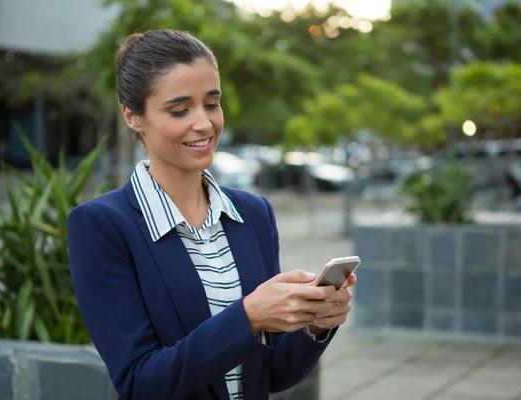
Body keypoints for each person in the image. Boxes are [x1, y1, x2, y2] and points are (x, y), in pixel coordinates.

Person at [67, 29, 356, 400]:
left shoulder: (253, 214)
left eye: (212, 104)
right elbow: (140, 384)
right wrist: (248, 318)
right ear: (133, 116)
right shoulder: (102, 225)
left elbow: (273, 374)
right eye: (179, 109)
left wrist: (315, 325)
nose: (203, 123)